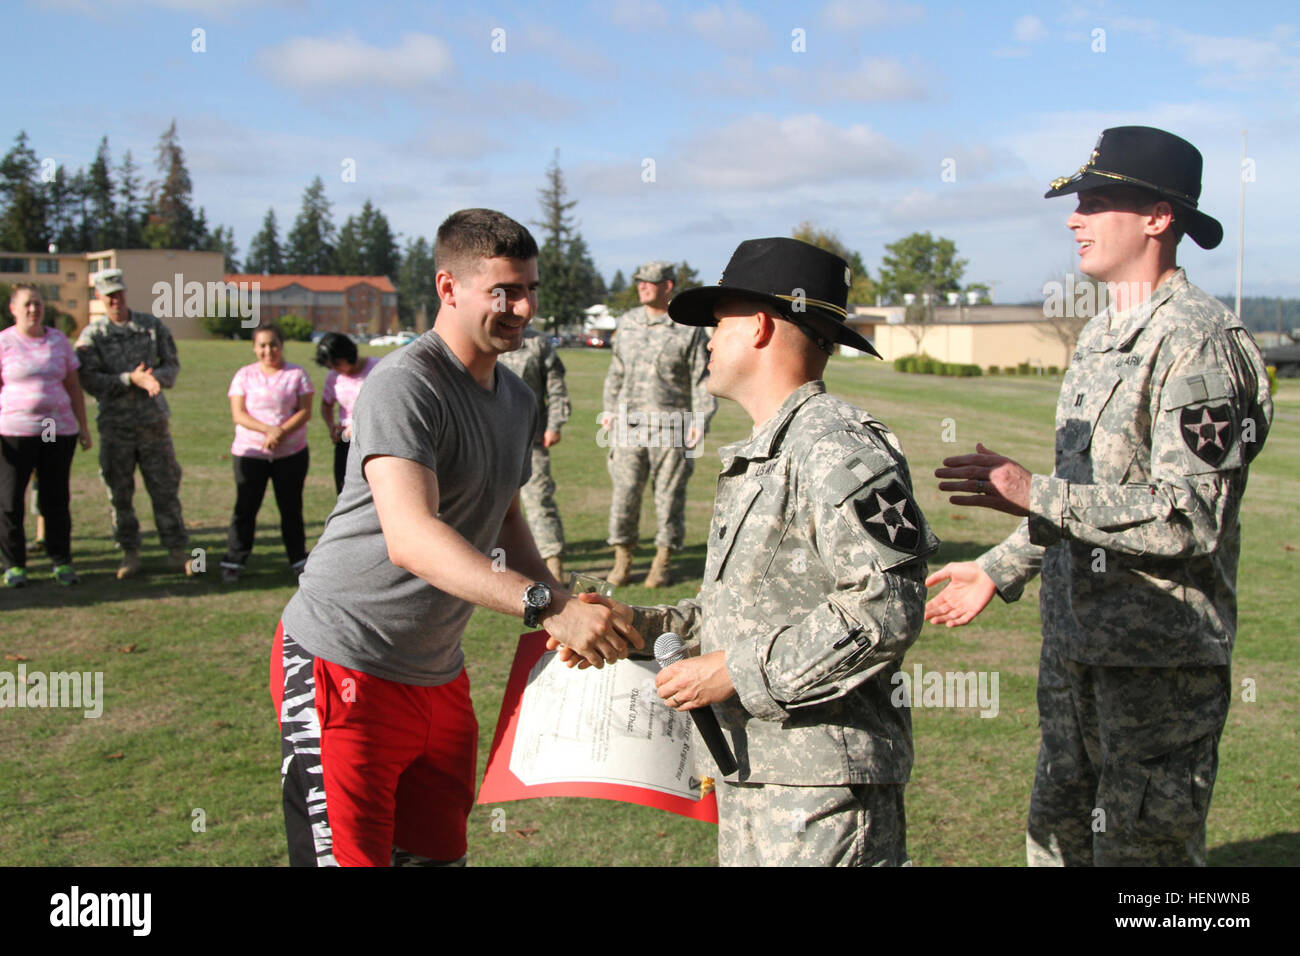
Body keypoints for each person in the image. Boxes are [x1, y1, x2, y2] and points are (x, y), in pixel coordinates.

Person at [924, 126, 1273, 866]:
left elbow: (1189, 516)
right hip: (1076, 655)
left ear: (1158, 217)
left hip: (1158, 669)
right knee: (1057, 847)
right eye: (1077, 201)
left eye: (1098, 200)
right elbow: (1086, 501)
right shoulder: (1099, 336)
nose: (1074, 218)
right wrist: (999, 566)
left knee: (1147, 865)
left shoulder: (1198, 341)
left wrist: (1033, 490)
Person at [273, 208, 640, 867]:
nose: (524, 307)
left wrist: (562, 604)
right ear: (448, 288)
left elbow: (504, 520)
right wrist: (547, 606)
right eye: (505, 291)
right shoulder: (405, 384)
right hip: (344, 660)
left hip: (437, 675)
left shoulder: (517, 399)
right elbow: (411, 537)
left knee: (438, 858)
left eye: (530, 289)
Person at [557, 238, 938, 866]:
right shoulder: (768, 451)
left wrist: (736, 671)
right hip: (757, 773)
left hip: (823, 794)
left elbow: (886, 610)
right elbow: (734, 614)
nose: (707, 339)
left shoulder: (836, 446)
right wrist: (639, 625)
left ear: (760, 326)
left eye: (718, 321)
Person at [601, 260, 715, 587]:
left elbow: (701, 379)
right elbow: (616, 372)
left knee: (669, 499)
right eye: (639, 281)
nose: (642, 287)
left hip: (672, 426)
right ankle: (622, 560)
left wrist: (700, 419)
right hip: (628, 425)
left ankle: (661, 563)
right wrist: (609, 409)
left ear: (667, 286)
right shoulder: (627, 324)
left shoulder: (689, 328)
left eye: (650, 282)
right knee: (624, 495)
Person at [75, 268, 192, 578]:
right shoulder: (93, 337)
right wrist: (130, 379)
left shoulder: (150, 327)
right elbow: (87, 380)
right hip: (116, 427)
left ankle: (177, 549)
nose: (115, 299)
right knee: (120, 492)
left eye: (119, 293)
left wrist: (152, 379)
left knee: (165, 487)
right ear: (98, 297)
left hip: (153, 424)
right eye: (108, 295)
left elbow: (172, 366)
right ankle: (130, 553)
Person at [1, 285, 92, 586]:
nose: (33, 309)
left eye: (38, 304)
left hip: (55, 428)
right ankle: (15, 565)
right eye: (27, 304)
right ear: (13, 309)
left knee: (55, 496)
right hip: (15, 431)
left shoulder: (58, 341)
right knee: (11, 499)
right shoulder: (4, 342)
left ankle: (61, 561)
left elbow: (73, 387)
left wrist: (83, 427)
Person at [219, 324, 314, 584]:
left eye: (273, 344)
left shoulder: (297, 374)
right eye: (262, 345)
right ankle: (234, 559)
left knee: (291, 507)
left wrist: (280, 432)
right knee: (246, 507)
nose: (268, 350)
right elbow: (238, 414)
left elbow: (305, 411)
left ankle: (297, 559)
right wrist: (268, 430)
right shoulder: (244, 375)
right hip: (250, 453)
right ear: (254, 348)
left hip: (291, 453)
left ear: (281, 345)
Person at [497, 327, 570, 581]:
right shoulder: (484, 339)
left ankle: (553, 561)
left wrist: (555, 424)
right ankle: (496, 563)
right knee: (490, 503)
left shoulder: (537, 343)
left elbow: (556, 387)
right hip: (490, 436)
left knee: (539, 499)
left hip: (531, 437)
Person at [315, 332, 377, 494]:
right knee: (344, 490)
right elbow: (326, 404)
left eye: (336, 363)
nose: (334, 369)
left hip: (374, 439)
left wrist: (359, 426)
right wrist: (331, 427)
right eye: (330, 366)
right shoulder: (334, 377)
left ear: (347, 353)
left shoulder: (377, 368)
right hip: (346, 441)